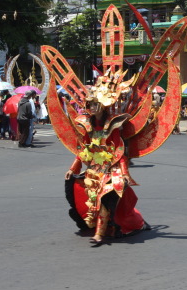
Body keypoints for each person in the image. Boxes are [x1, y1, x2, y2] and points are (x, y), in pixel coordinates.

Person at [64, 76, 150, 245]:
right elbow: (83, 149)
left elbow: (119, 151)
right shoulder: (86, 124)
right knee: (83, 191)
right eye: (91, 105)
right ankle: (100, 224)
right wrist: (73, 167)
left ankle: (99, 234)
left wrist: (125, 174)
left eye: (96, 104)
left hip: (112, 168)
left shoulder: (112, 125)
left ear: (103, 106)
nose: (93, 108)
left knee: (105, 196)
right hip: (94, 168)